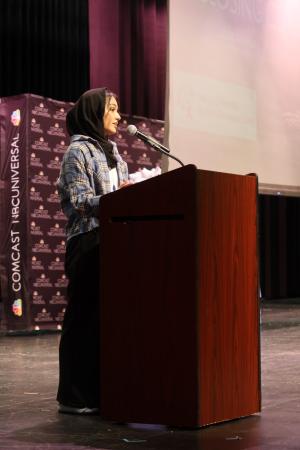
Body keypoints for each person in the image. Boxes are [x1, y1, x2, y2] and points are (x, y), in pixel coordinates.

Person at [56, 88, 130, 415]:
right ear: (93, 113)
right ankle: (73, 396)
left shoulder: (115, 154)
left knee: (107, 322)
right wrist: (120, 200)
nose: (118, 115)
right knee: (83, 319)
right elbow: (80, 202)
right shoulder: (78, 153)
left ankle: (100, 391)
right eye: (111, 109)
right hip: (87, 244)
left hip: (115, 244)